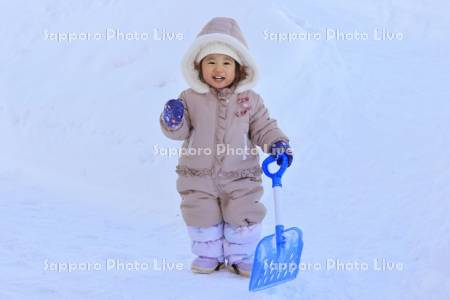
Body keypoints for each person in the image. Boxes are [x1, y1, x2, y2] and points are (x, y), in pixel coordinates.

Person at [160, 17, 293, 277]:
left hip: (240, 175)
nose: (218, 68)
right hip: (198, 175)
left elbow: (262, 127)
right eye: (210, 61)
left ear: (239, 68)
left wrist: (277, 143)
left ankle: (241, 256)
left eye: (226, 62)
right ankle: (208, 255)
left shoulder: (249, 100)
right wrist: (173, 121)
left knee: (243, 213)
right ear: (198, 66)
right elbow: (180, 131)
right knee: (200, 214)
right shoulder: (190, 98)